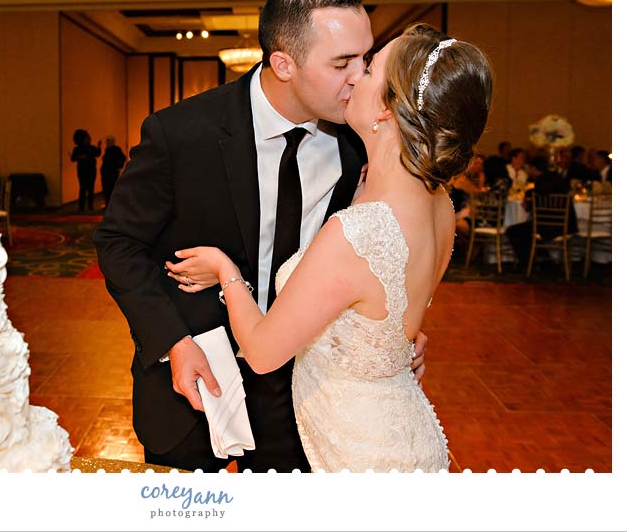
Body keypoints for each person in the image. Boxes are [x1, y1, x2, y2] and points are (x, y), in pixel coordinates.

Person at [94, 0, 428, 473]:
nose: (359, 77)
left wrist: (395, 329)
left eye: (365, 59)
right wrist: (172, 342)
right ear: (283, 63)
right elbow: (118, 242)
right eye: (342, 63)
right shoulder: (182, 132)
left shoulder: (360, 140)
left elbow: (389, 246)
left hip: (304, 390)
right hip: (197, 380)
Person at [169, 24, 493, 471]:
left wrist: (226, 271)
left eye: (371, 67)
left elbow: (263, 354)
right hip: (402, 429)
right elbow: (391, 307)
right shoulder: (439, 203)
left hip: (359, 451)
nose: (355, 75)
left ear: (386, 108)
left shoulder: (357, 231)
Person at [505, 154, 577, 270]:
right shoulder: (558, 178)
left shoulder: (540, 183)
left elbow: (536, 207)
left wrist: (528, 202)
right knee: (526, 232)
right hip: (566, 224)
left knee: (513, 231)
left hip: (547, 225)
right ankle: (544, 261)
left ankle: (528, 263)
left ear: (534, 168)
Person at [70, 129, 101, 211]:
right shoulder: (77, 149)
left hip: (91, 171)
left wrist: (99, 146)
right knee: (83, 188)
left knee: (91, 189)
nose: (89, 139)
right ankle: (82, 207)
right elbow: (72, 158)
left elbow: (97, 154)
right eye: (87, 138)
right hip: (82, 171)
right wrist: (80, 157)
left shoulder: (91, 147)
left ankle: (90, 206)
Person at [100, 136, 127, 208]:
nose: (107, 143)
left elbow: (122, 158)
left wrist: (118, 166)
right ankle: (108, 204)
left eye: (108, 141)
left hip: (112, 173)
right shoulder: (108, 150)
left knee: (110, 189)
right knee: (107, 190)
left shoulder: (116, 150)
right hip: (107, 173)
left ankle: (111, 205)